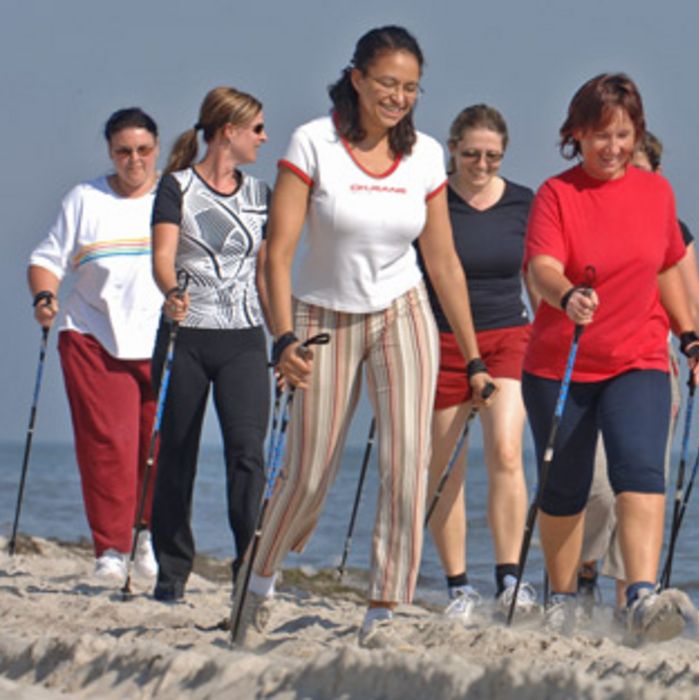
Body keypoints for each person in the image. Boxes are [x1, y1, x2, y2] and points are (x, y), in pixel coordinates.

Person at [237, 25, 494, 648]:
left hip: (402, 312)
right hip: (321, 316)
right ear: (356, 78)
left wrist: (476, 356)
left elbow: (443, 261)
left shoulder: (427, 155)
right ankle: (258, 581)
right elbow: (277, 255)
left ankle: (383, 609)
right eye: (387, 83)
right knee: (307, 472)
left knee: (407, 461)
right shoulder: (312, 143)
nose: (398, 97)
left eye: (410, 87)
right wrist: (280, 339)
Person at [522, 72, 699, 642]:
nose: (613, 147)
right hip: (563, 364)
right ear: (576, 134)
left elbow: (667, 268)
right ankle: (559, 595)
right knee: (566, 488)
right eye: (600, 135)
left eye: (624, 135)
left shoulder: (657, 194)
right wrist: (567, 295)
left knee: (639, 472)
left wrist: (690, 336)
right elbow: (541, 268)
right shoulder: (558, 194)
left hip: (639, 356)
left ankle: (642, 596)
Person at [576, 130, 699, 611]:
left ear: (657, 176)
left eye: (640, 170)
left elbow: (694, 304)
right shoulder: (589, 214)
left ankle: (634, 602)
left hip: (653, 364)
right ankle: (582, 570)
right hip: (593, 361)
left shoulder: (673, 229)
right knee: (599, 487)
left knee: (642, 483)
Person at [27, 108, 164, 582]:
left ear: (157, 149)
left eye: (143, 150)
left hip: (162, 338)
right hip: (92, 335)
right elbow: (46, 259)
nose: (134, 161)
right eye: (124, 151)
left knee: (158, 445)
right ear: (110, 152)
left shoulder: (176, 196)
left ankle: (147, 538)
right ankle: (111, 547)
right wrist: (45, 297)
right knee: (109, 444)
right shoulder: (85, 199)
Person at [146, 87, 271, 602]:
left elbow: (268, 274)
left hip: (243, 339)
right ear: (228, 131)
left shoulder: (263, 193)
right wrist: (172, 291)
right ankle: (172, 574)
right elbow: (162, 255)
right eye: (257, 128)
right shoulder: (175, 186)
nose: (264, 138)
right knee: (177, 455)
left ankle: (249, 570)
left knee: (248, 455)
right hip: (186, 337)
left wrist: (285, 336)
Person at [418, 104, 537, 621]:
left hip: (510, 335)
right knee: (445, 467)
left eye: (491, 156)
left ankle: (510, 578)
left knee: (507, 451)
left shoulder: (523, 203)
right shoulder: (434, 200)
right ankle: (458, 586)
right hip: (442, 339)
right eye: (471, 154)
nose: (481, 164)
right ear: (452, 149)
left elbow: (536, 272)